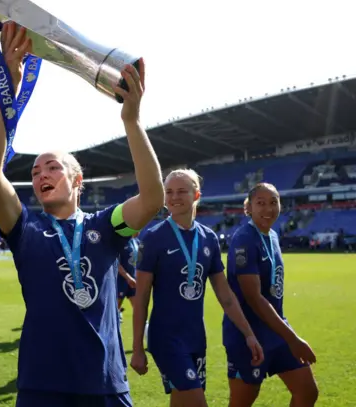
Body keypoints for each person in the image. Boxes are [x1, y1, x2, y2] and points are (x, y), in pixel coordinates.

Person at [0, 21, 165, 407]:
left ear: (77, 180)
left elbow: (151, 199)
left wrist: (131, 121)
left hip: (104, 386)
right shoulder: (25, 228)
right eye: (34, 172)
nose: (40, 174)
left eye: (52, 168)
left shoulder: (105, 226)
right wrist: (9, 87)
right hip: (41, 389)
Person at [130, 169, 264, 407]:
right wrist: (138, 348)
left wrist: (249, 334)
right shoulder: (153, 237)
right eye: (168, 192)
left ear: (196, 195)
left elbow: (226, 296)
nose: (174, 197)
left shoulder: (208, 238)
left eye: (182, 191)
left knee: (183, 403)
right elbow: (141, 297)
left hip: (195, 338)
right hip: (166, 338)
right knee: (196, 402)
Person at [224, 183, 318, 406]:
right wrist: (293, 339)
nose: (268, 209)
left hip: (276, 330)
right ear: (248, 208)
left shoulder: (273, 235)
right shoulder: (244, 239)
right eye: (260, 203)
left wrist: (286, 335)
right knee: (242, 402)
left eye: (273, 202)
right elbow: (254, 298)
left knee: (307, 392)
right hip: (248, 335)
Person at [116, 233, 139, 323]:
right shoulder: (121, 241)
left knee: (139, 309)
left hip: (134, 281)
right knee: (114, 312)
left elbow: (139, 263)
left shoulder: (137, 242)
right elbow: (116, 263)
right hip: (120, 280)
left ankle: (146, 333)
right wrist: (128, 277)